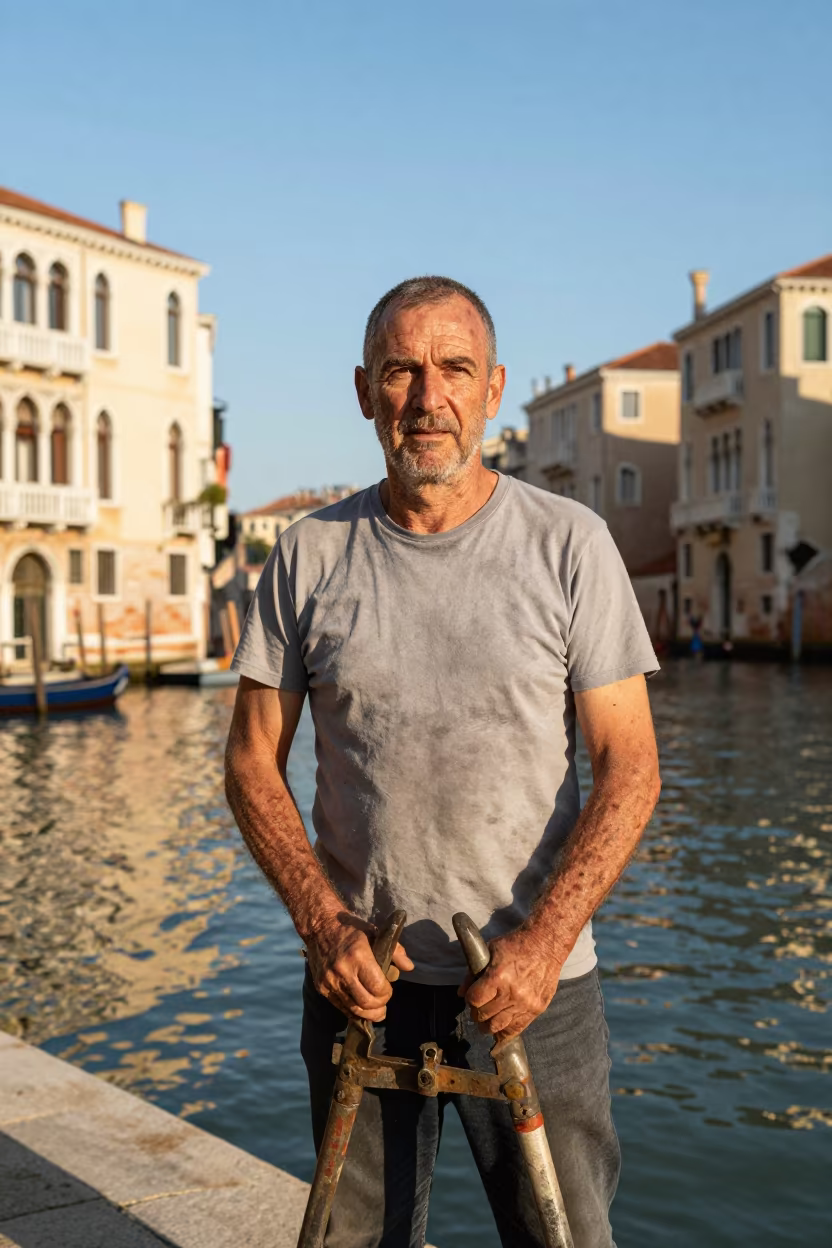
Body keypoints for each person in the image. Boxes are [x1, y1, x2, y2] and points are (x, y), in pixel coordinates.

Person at [225, 276, 661, 1248]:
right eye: (401, 371)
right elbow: (253, 761)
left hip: (534, 990)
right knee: (355, 1240)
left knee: (564, 1236)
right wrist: (321, 925)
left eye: (453, 369)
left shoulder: (570, 547)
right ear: (362, 390)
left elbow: (628, 766)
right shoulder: (306, 557)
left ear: (494, 386)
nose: (428, 398)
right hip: (359, 986)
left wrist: (543, 948)